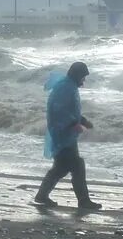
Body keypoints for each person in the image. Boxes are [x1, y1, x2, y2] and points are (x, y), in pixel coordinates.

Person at [34, 60, 101, 210]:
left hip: (66, 135)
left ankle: (42, 195)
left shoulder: (68, 86)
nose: (83, 83)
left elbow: (70, 110)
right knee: (77, 165)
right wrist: (72, 124)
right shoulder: (65, 88)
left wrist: (82, 121)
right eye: (82, 78)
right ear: (77, 75)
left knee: (61, 167)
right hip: (62, 134)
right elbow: (58, 110)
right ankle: (83, 201)